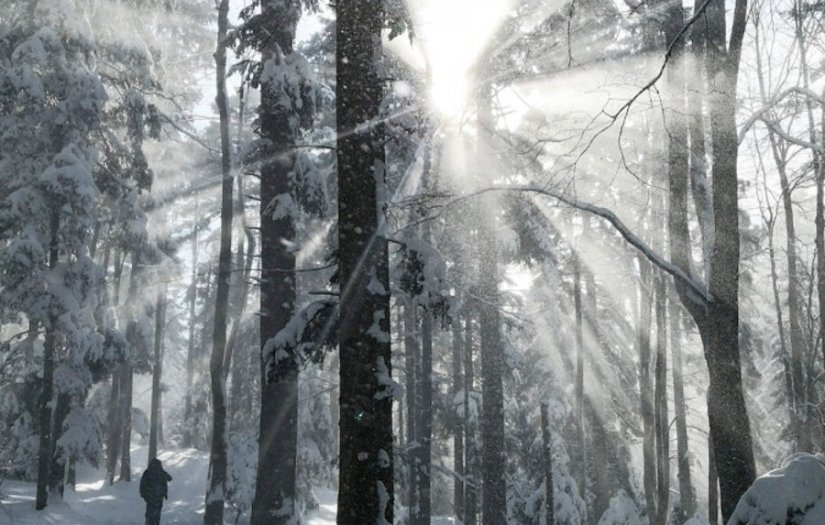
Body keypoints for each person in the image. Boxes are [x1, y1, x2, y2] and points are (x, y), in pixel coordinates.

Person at [139, 458, 172, 525]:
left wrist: (144, 494)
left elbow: (142, 484)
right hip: (158, 497)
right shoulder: (160, 472)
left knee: (149, 515)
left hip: (150, 497)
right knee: (156, 516)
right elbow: (169, 478)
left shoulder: (148, 472)